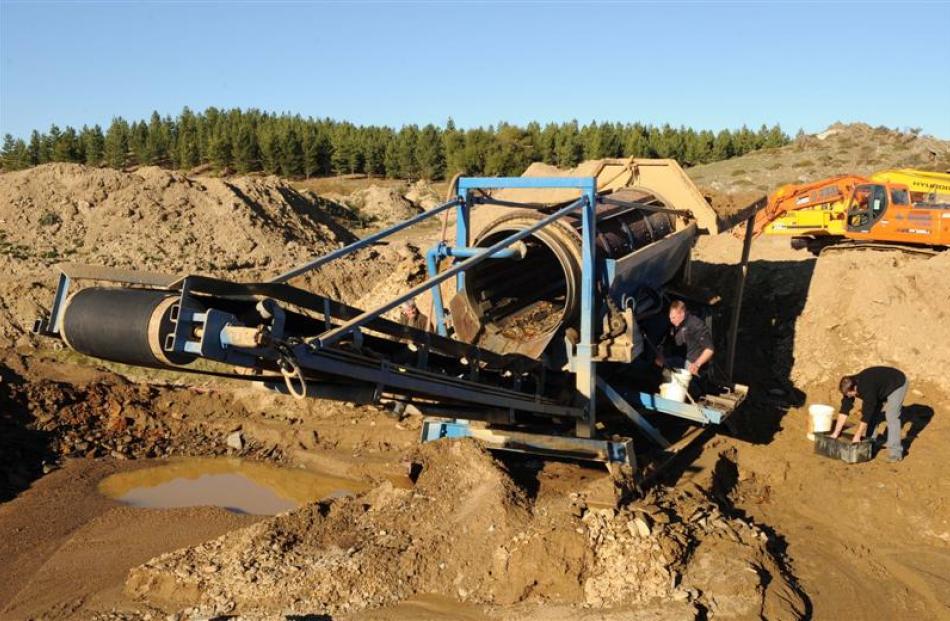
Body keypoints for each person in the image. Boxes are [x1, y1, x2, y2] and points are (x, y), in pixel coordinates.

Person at [830, 366, 908, 462]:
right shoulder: (848, 386)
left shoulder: (867, 389)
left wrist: (858, 435)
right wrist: (835, 433)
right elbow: (844, 410)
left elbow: (866, 415)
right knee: (873, 416)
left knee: (891, 416)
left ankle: (896, 453)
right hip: (879, 387)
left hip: (896, 383)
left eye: (850, 394)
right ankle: (870, 446)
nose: (849, 396)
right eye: (847, 395)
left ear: (855, 387)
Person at [655, 300, 715, 376]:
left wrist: (696, 365)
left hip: (692, 366)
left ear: (682, 314)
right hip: (678, 361)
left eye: (673, 318)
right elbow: (666, 342)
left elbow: (709, 349)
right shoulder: (675, 326)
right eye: (670, 318)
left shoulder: (695, 324)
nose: (671, 320)